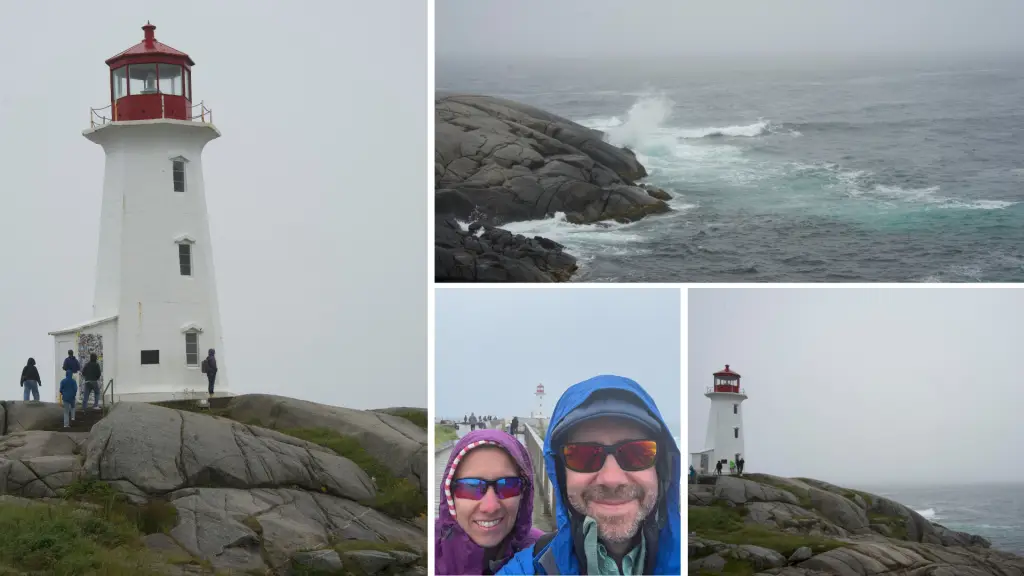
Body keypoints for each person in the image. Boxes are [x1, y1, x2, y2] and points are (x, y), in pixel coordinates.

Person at [498, 375, 681, 575]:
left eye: (637, 453)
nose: (612, 479)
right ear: (560, 474)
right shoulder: (527, 570)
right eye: (583, 455)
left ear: (662, 469)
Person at [435, 429, 545, 575]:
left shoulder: (545, 555)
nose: (490, 507)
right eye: (471, 487)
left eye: (508, 485)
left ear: (524, 492)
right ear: (450, 493)